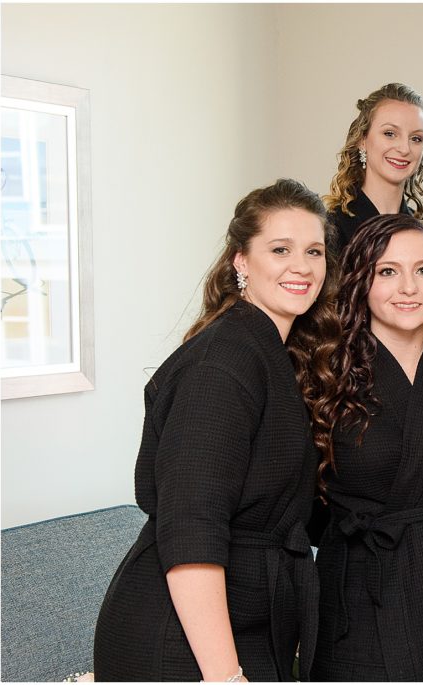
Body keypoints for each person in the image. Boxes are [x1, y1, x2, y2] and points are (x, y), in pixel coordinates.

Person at [93, 179, 341, 682]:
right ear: (241, 261)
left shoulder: (270, 353)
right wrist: (225, 677)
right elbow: (191, 528)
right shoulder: (224, 362)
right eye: (280, 249)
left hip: (242, 621)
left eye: (314, 251)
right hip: (184, 640)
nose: (302, 266)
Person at [307, 214, 423, 681]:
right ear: (360, 281)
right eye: (387, 271)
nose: (408, 287)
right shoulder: (324, 369)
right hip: (359, 584)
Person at [323, 83, 423, 256]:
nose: (404, 148)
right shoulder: (332, 229)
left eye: (416, 138)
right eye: (390, 134)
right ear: (362, 140)